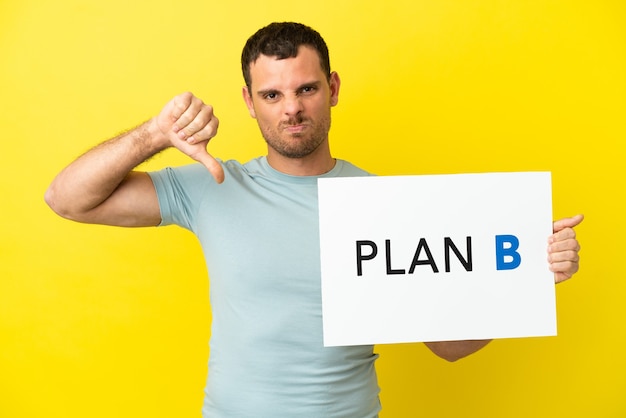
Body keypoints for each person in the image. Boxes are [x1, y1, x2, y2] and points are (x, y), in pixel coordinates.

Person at [45, 22, 584, 417]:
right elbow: (68, 199)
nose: (291, 109)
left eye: (306, 88)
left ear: (333, 88)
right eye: (272, 94)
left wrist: (526, 279)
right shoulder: (212, 186)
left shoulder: (387, 205)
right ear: (249, 103)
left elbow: (447, 347)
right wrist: (154, 135)